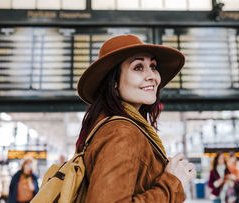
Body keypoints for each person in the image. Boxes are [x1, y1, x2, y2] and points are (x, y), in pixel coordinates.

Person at [75, 34, 196, 202]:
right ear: (114, 82)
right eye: (138, 67)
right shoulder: (122, 133)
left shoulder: (112, 128)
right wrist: (172, 182)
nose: (152, 76)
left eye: (153, 66)